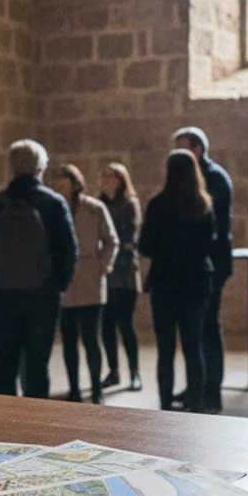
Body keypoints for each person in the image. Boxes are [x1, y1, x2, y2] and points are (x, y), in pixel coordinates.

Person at [0, 140, 78, 398]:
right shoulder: (53, 203)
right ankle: (35, 418)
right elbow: (69, 249)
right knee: (37, 366)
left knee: (5, 365)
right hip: (43, 295)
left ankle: (6, 418)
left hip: (3, 295)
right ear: (41, 168)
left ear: (11, 167)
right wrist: (58, 285)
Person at [139, 150, 216, 412]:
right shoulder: (203, 206)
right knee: (194, 347)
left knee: (166, 349)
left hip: (165, 282)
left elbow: (145, 246)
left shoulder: (158, 204)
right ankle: (196, 403)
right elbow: (209, 244)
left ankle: (165, 403)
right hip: (196, 282)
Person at [172, 127, 232, 413]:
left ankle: (211, 392)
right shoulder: (188, 177)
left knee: (207, 328)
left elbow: (212, 225)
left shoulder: (215, 178)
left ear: (197, 149)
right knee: (193, 329)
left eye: (181, 148)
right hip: (193, 264)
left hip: (211, 264)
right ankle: (196, 386)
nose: (175, 154)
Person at [51, 164, 118, 404]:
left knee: (91, 339)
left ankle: (96, 389)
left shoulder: (94, 208)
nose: (60, 184)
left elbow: (111, 241)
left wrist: (103, 267)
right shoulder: (54, 208)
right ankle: (74, 389)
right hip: (65, 283)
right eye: (57, 179)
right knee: (69, 341)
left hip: (90, 279)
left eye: (65, 179)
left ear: (75, 182)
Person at [99, 163, 144, 392]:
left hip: (124, 273)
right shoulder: (99, 205)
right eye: (104, 177)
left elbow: (130, 237)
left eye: (111, 177)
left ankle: (135, 372)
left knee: (126, 324)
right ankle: (113, 371)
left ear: (120, 180)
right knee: (106, 325)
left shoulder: (129, 204)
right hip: (104, 273)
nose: (106, 181)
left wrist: (110, 249)